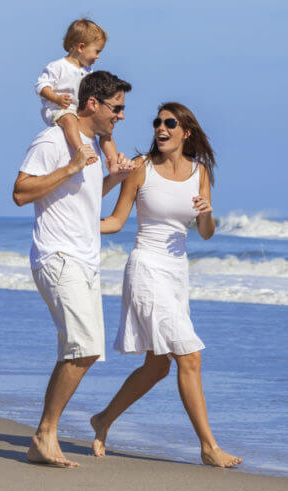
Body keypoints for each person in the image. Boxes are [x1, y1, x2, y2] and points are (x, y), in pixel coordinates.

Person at [90, 102, 242, 468]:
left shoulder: (199, 172)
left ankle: (103, 419)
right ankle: (208, 446)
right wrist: (71, 226)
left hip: (177, 273)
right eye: (158, 122)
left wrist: (206, 213)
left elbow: (205, 233)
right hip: (146, 267)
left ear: (185, 132)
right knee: (190, 356)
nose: (161, 128)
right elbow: (115, 220)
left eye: (170, 123)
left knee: (158, 366)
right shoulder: (142, 168)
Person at [12, 71, 134, 467]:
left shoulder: (89, 148)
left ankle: (44, 436)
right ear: (93, 104)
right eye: (116, 108)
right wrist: (69, 166)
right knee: (83, 348)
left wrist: (114, 179)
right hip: (57, 256)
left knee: (82, 349)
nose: (120, 116)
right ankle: (44, 435)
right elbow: (20, 192)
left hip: (84, 260)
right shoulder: (52, 140)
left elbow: (82, 197)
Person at [35, 18, 121, 170]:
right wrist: (57, 98)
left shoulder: (88, 72)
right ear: (81, 47)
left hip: (80, 110)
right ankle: (80, 150)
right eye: (97, 51)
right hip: (60, 110)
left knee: (105, 129)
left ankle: (114, 162)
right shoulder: (58, 66)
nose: (98, 56)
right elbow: (41, 87)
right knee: (69, 119)